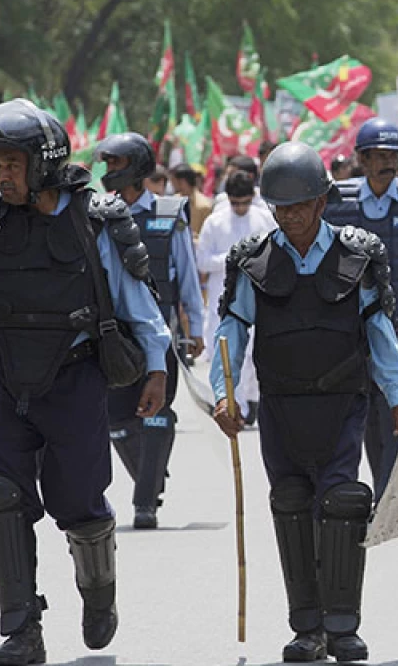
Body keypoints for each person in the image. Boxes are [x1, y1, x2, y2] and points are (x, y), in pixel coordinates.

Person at [0, 99, 171, 664]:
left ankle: (98, 592)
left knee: (79, 502)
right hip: (3, 380)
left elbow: (136, 302)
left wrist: (157, 367)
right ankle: (22, 630)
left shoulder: (94, 218)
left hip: (75, 380)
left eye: (13, 162)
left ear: (43, 162)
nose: (2, 173)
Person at [210, 141, 398, 664]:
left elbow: (381, 331)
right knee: (292, 506)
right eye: (281, 208)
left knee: (343, 504)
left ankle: (342, 627)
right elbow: (230, 333)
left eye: (300, 206)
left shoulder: (356, 256)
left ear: (322, 203)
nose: (291, 217)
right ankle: (307, 629)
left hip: (343, 406)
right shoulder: (254, 262)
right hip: (280, 410)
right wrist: (223, 396)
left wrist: (397, 395)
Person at [324, 118, 398, 498]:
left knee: (397, 405)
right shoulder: (337, 200)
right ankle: (382, 483)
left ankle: (388, 491)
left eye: (393, 155)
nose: (387, 163)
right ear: (361, 159)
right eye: (378, 156)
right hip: (352, 327)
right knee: (366, 407)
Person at [95, 132, 206, 529]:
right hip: (114, 338)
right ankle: (151, 476)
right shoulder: (97, 213)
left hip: (162, 334)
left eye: (116, 165)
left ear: (138, 168)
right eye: (106, 165)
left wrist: (196, 326)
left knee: (158, 414)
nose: (108, 173)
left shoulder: (169, 212)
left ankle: (145, 502)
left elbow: (187, 275)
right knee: (119, 421)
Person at [196, 170, 275, 421]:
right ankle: (234, 406)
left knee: (254, 354)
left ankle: (250, 401)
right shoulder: (215, 222)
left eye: (245, 202)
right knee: (228, 355)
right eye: (234, 203)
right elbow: (203, 261)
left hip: (260, 298)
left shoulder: (265, 219)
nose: (240, 208)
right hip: (224, 299)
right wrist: (233, 258)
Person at [168, 164, 212, 240]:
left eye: (172, 180)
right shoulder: (173, 201)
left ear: (182, 182)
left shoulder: (204, 206)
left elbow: (208, 236)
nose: (171, 184)